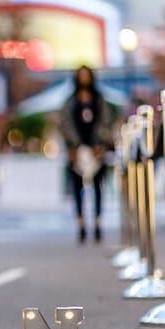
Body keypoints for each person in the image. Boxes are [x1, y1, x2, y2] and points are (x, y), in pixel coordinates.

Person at [60, 65, 113, 244]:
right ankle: (81, 224)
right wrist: (71, 145)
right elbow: (65, 123)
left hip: (96, 148)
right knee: (77, 189)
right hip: (77, 148)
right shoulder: (71, 101)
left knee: (98, 186)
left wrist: (100, 142)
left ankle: (97, 222)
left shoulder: (99, 100)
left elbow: (106, 121)